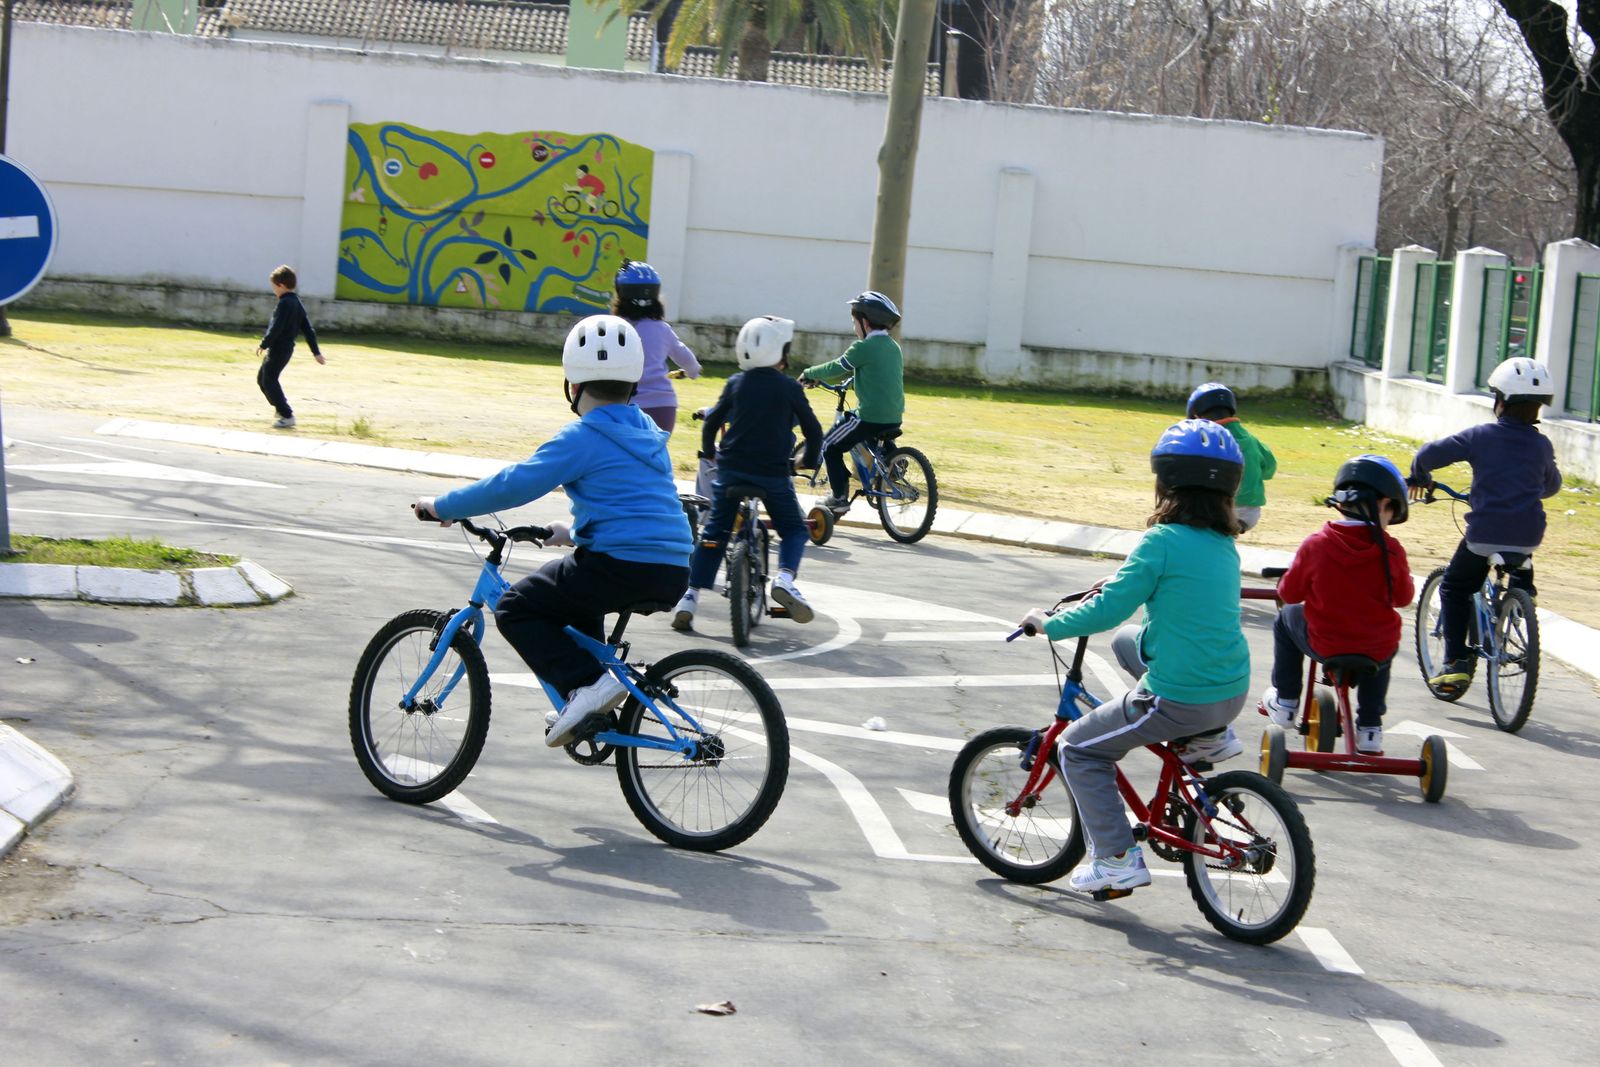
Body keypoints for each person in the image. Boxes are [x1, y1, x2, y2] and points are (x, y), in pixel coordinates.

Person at [413, 314, 692, 748]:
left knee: (515, 607)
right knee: (576, 593)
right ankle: (590, 701)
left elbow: (514, 484)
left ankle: (585, 685)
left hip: (620, 564)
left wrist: (443, 506)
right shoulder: (649, 433)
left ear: (573, 385)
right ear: (634, 383)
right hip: (672, 567)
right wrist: (574, 532)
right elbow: (636, 509)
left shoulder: (584, 436)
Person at [1017, 420, 1250, 893]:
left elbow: (1108, 611)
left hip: (1181, 697)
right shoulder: (1223, 544)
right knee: (1128, 640)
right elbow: (1173, 592)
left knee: (1077, 749)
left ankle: (1117, 859)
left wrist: (1049, 624)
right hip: (1230, 691)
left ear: (1166, 482)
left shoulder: (1160, 541)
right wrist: (1121, 583)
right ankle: (1208, 739)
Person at [1408, 356, 1563, 695]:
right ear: (1538, 407)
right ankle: (1522, 597)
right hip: (1528, 535)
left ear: (1501, 401)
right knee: (1520, 555)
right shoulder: (1542, 444)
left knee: (1454, 586)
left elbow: (1429, 454)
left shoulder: (1481, 436)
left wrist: (1419, 476)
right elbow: (1552, 486)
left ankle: (1455, 662)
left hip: (1485, 534)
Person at [673, 316, 824, 630]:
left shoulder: (735, 383)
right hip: (772, 473)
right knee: (794, 529)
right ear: (781, 352)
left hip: (731, 471)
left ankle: (690, 597)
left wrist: (710, 452)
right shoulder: (789, 388)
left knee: (714, 533)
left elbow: (712, 424)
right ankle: (784, 579)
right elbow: (813, 430)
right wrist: (806, 460)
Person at [1260, 456, 1414, 754]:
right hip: (1375, 648)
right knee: (1385, 641)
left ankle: (1286, 702)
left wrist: (1290, 580)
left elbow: (1290, 593)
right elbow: (1403, 598)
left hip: (1326, 643)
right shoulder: (1392, 550)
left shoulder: (1316, 544)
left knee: (1286, 618)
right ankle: (1370, 728)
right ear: (1384, 503)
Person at [798, 290, 905, 512]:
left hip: (869, 417)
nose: (854, 327)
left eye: (854, 322)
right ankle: (893, 461)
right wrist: (853, 383)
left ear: (864, 322)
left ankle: (838, 498)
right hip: (893, 415)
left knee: (830, 446)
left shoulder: (862, 348)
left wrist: (809, 373)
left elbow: (836, 367)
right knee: (866, 433)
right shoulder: (893, 347)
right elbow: (879, 378)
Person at [611, 260, 701, 434]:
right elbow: (686, 358)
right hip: (663, 407)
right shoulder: (662, 328)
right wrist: (693, 371)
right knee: (656, 448)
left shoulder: (616, 329)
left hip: (628, 406)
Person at [1186, 382, 1276, 531]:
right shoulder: (1251, 440)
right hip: (1249, 514)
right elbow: (1269, 470)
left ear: (1196, 415)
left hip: (1218, 507)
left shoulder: (1203, 438)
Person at [256, 265, 325, 429]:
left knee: (269, 379)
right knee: (262, 378)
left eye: (274, 286)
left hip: (279, 349)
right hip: (285, 350)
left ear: (281, 285)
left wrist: (264, 343)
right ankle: (281, 410)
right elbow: (308, 329)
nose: (273, 290)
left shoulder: (285, 303)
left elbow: (276, 327)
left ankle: (286, 415)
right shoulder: (296, 302)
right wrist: (316, 352)